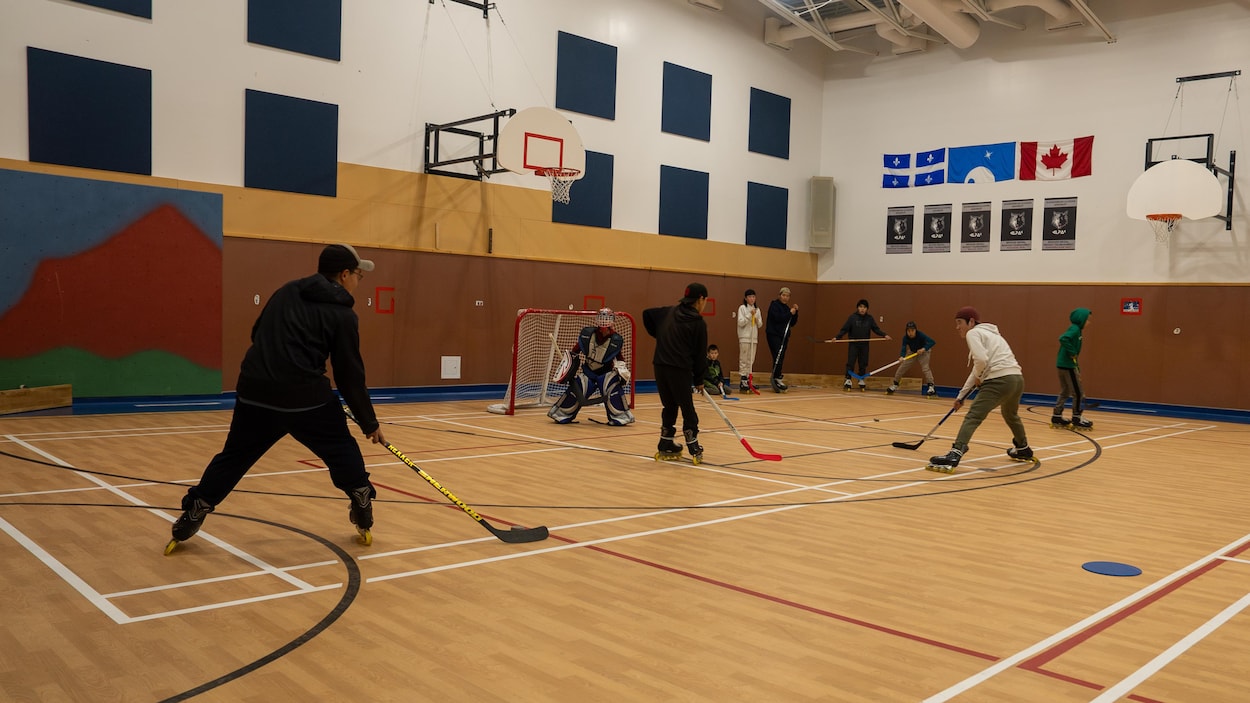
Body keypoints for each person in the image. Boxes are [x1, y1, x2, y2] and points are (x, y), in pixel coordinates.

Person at [168, 243, 387, 549]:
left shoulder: (287, 291)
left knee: (234, 457)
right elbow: (349, 374)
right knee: (341, 447)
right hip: (306, 398)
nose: (359, 281)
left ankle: (197, 507)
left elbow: (258, 333)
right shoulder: (343, 315)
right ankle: (360, 494)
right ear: (344, 274)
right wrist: (369, 423)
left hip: (255, 392)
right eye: (359, 275)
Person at [928, 306, 1033, 473]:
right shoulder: (993, 335)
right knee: (1011, 415)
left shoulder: (973, 333)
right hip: (1016, 379)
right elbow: (978, 368)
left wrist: (979, 375)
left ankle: (956, 453)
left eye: (959, 322)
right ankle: (1023, 448)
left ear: (971, 322)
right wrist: (960, 397)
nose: (957, 327)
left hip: (999, 380)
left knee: (973, 416)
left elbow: (981, 361)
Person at [643, 283, 709, 463]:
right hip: (679, 369)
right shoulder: (698, 323)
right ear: (701, 299)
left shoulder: (669, 312)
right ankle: (693, 445)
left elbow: (646, 313)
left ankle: (666, 443)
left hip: (660, 365)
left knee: (670, 406)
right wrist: (700, 380)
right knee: (688, 409)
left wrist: (661, 335)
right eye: (705, 300)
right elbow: (700, 355)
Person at [547, 307, 635, 426]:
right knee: (578, 387)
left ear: (612, 321)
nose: (604, 321)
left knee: (612, 387)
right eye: (602, 318)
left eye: (607, 318)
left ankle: (620, 417)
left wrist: (622, 369)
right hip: (589, 371)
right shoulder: (588, 335)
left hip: (606, 373)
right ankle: (561, 413)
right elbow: (575, 352)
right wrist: (568, 366)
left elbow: (619, 358)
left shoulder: (616, 340)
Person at [834, 299, 890, 391]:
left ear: (867, 309)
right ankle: (848, 379)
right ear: (857, 308)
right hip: (854, 344)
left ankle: (861, 379)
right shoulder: (852, 318)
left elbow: (876, 329)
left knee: (863, 363)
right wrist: (837, 337)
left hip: (864, 345)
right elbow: (844, 329)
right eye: (860, 307)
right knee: (851, 362)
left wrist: (884, 335)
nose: (862, 309)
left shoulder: (870, 319)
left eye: (864, 307)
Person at [1053, 307, 1093, 430]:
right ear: (1081, 320)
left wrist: (1077, 367)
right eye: (1087, 320)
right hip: (1067, 365)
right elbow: (1063, 338)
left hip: (1064, 364)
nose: (1089, 322)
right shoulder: (1075, 329)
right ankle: (1076, 417)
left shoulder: (1077, 330)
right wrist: (1072, 351)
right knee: (1078, 393)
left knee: (1065, 391)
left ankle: (1057, 416)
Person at [888, 321, 937, 397]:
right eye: (908, 331)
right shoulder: (905, 338)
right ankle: (895, 384)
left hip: (924, 352)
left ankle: (931, 387)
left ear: (915, 330)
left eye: (912, 330)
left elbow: (932, 342)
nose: (910, 333)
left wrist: (923, 349)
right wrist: (902, 356)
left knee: (925, 368)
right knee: (902, 368)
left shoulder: (921, 335)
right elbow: (904, 348)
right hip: (912, 352)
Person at [766, 287, 799, 392]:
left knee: (781, 357)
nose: (785, 298)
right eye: (783, 295)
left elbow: (791, 323)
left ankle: (777, 376)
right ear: (779, 295)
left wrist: (795, 313)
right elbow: (778, 318)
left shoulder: (786, 308)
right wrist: (790, 313)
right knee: (777, 355)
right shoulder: (774, 305)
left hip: (783, 336)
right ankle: (776, 377)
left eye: (787, 296)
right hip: (773, 334)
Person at [736, 289, 763, 392]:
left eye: (753, 297)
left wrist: (756, 318)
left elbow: (760, 324)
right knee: (744, 358)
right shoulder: (742, 308)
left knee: (750, 359)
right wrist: (749, 315)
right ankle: (743, 379)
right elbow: (740, 322)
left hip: (754, 338)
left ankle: (748, 379)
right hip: (744, 337)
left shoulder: (757, 310)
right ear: (746, 298)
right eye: (750, 297)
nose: (752, 299)